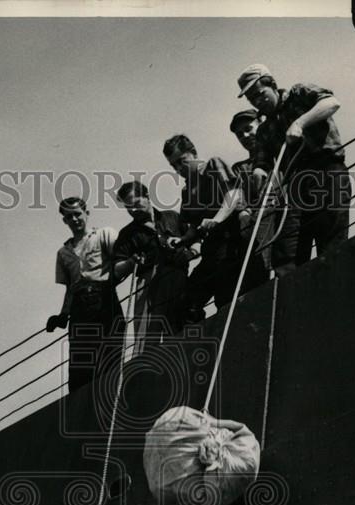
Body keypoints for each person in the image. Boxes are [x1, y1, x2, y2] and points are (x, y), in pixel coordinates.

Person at [237, 63, 351, 265]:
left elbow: (332, 103)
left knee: (332, 238)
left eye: (260, 93)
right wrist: (258, 171)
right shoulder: (264, 130)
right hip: (297, 186)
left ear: (272, 84)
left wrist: (300, 123)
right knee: (289, 251)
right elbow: (262, 161)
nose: (257, 101)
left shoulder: (299, 93)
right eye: (252, 99)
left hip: (327, 171)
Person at [162, 134, 246, 321]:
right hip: (211, 249)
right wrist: (183, 240)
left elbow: (234, 194)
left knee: (225, 299)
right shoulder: (186, 191)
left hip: (231, 238)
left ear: (193, 153)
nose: (178, 169)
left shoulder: (213, 166)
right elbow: (193, 226)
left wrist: (216, 219)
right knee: (184, 306)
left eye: (181, 162)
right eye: (173, 166)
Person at [46, 197, 124, 394]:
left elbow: (121, 261)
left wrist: (109, 283)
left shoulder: (104, 235)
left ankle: (110, 403)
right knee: (80, 368)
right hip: (79, 309)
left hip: (104, 300)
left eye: (77, 214)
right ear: (64, 221)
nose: (74, 219)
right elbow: (70, 288)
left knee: (109, 359)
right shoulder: (63, 252)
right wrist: (62, 315)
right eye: (69, 216)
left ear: (86, 213)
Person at [112, 180, 195, 352]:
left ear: (147, 197)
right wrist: (131, 262)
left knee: (182, 331)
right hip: (149, 285)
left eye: (135, 204)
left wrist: (191, 253)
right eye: (128, 207)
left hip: (178, 277)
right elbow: (117, 269)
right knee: (147, 341)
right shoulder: (127, 234)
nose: (132, 210)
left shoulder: (172, 216)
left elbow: (195, 238)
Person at [228, 109, 278, 286]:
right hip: (255, 221)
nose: (245, 136)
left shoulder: (277, 153)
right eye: (240, 134)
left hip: (281, 211)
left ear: (260, 124)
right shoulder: (240, 168)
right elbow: (238, 194)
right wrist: (242, 210)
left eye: (249, 128)